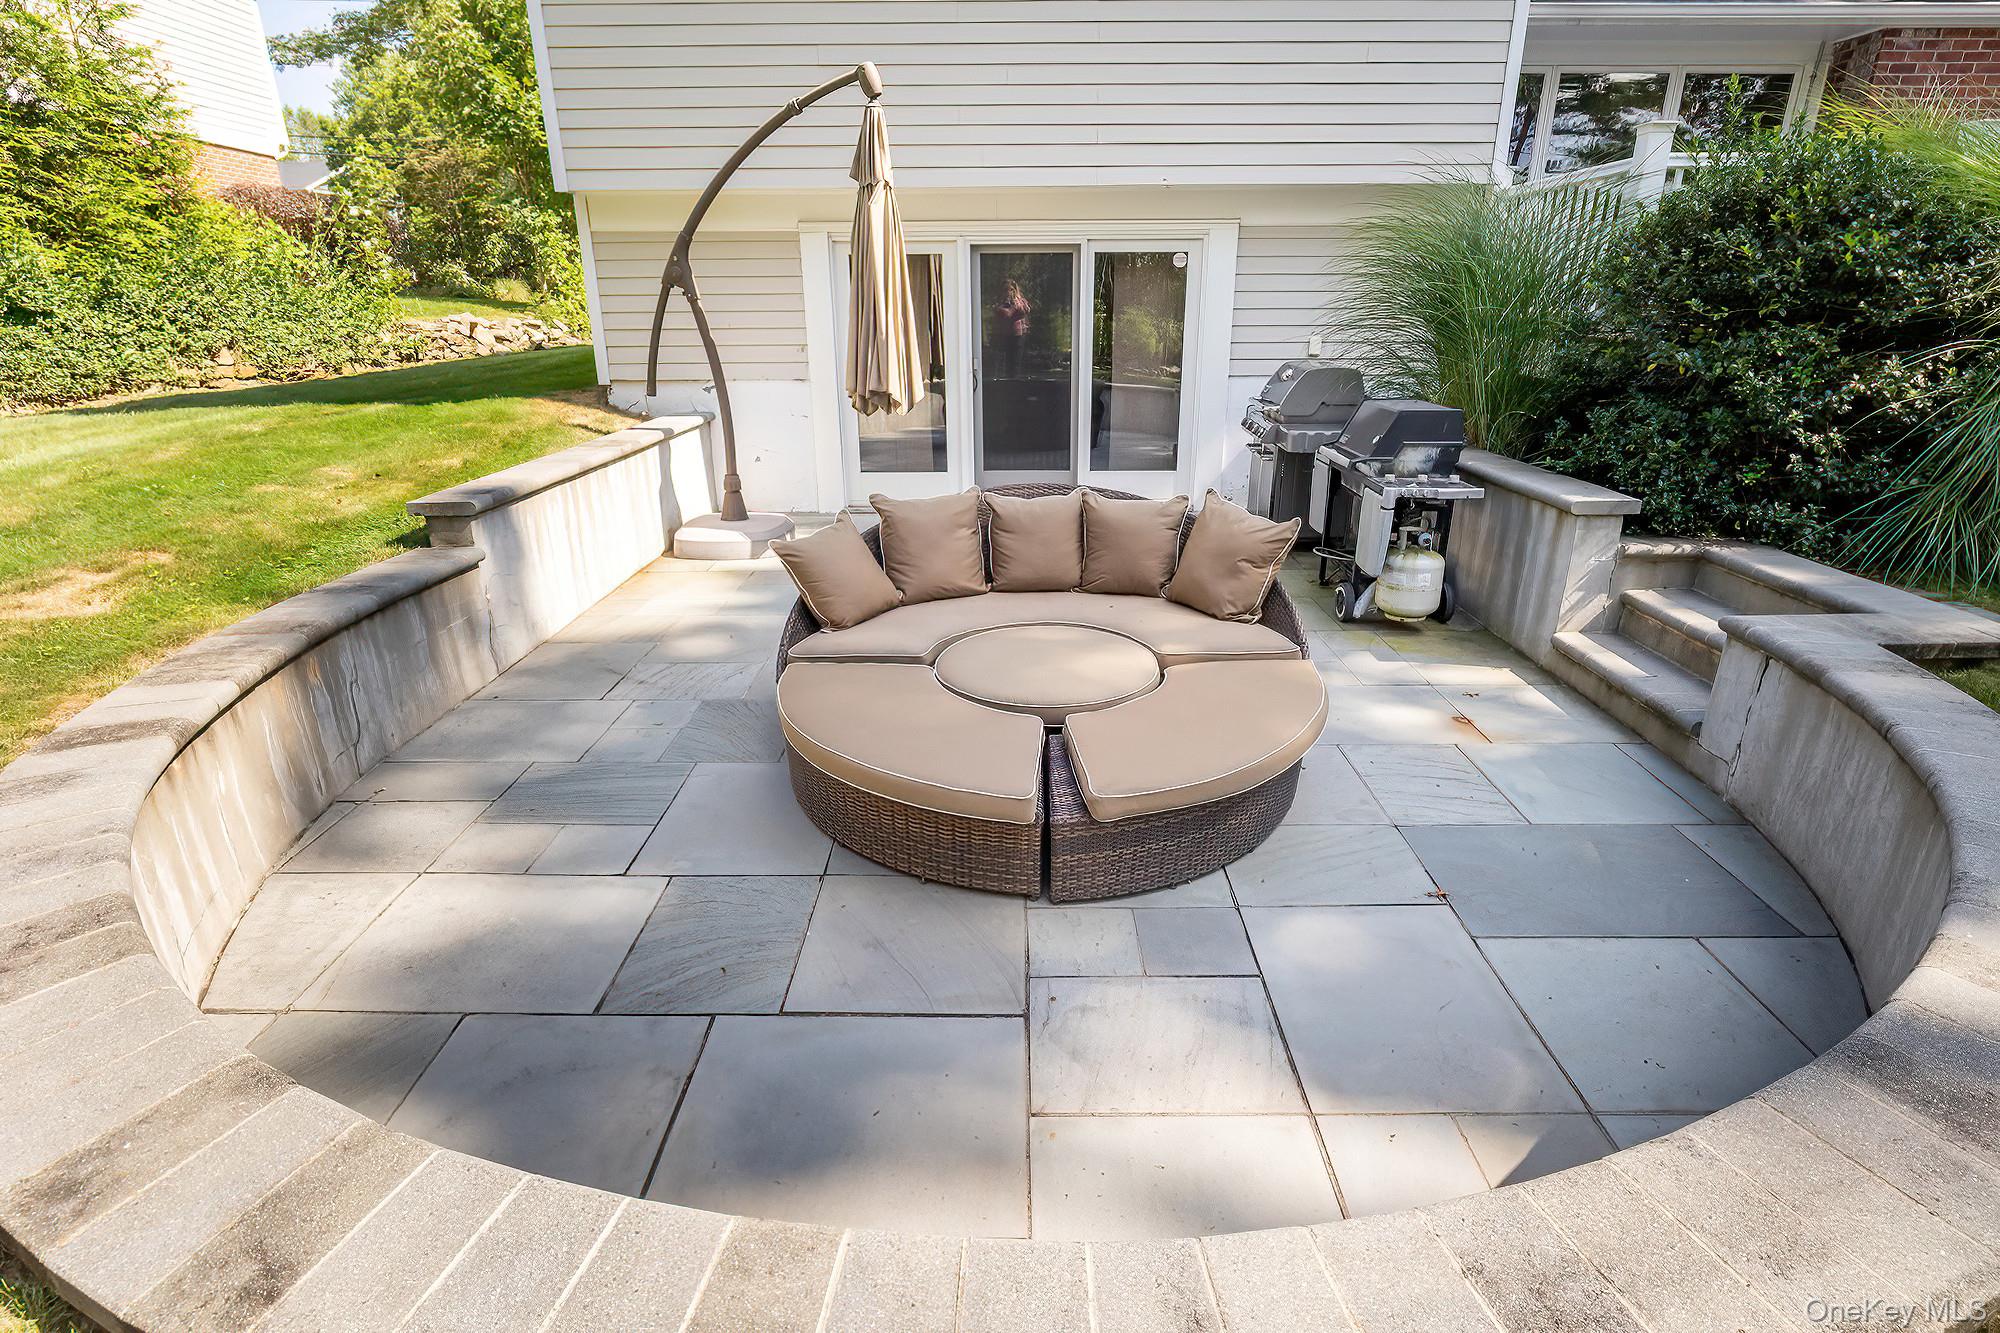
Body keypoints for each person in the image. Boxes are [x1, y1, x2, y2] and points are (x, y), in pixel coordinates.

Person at [991, 278, 1031, 379]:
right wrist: (1009, 307)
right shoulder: (999, 302)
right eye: (1006, 290)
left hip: (1018, 334)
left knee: (1016, 360)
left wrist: (1016, 302)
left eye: (1011, 290)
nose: (1009, 292)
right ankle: (1006, 380)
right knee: (1006, 360)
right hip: (1004, 334)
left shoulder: (1020, 301)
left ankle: (1015, 379)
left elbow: (1026, 309)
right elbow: (1005, 313)